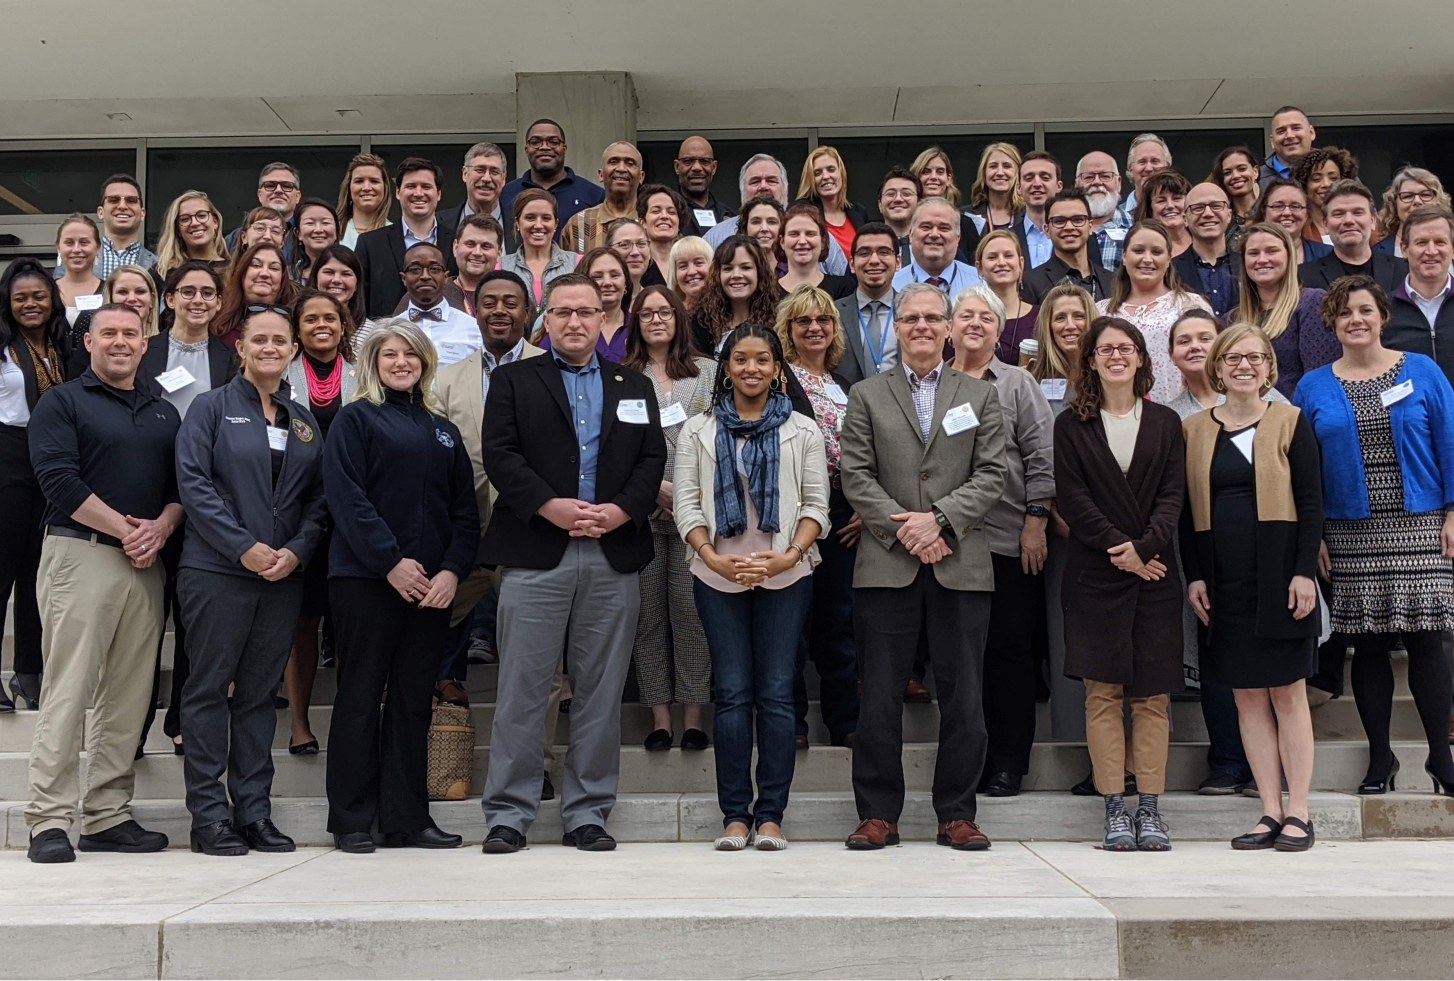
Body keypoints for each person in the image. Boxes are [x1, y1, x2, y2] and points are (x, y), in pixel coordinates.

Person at [478, 273, 666, 854]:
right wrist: (550, 507)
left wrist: (619, 512)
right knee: (523, 689)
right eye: (563, 312)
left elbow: (652, 456)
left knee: (600, 692)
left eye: (586, 311)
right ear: (546, 320)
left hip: (611, 554)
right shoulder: (512, 380)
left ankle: (587, 811)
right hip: (538, 552)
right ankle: (509, 813)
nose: (576, 322)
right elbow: (499, 454)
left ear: (603, 316)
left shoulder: (632, 384)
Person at [839, 283, 1006, 851]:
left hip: (960, 562)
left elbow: (992, 475)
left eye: (933, 318)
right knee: (880, 694)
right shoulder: (865, 393)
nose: (922, 327)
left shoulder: (980, 395)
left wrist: (939, 521)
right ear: (899, 328)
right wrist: (906, 528)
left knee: (965, 696)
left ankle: (957, 813)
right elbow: (855, 476)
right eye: (910, 318)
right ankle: (878, 814)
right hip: (887, 564)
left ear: (950, 327)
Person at [23, 303, 182, 863]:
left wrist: (161, 526)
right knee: (69, 689)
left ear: (146, 343)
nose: (120, 341)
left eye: (130, 333)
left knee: (129, 695)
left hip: (145, 564)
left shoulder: (164, 412)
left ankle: (108, 814)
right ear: (87, 341)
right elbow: (58, 480)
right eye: (108, 332)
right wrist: (126, 531)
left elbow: (179, 488)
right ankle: (48, 818)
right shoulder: (61, 402)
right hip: (81, 555)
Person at [1293, 276, 1454, 799]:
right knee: (1367, 646)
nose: (1355, 319)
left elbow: (1449, 439)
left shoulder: (1423, 371)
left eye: (1365, 310)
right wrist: (1312, 535)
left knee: (1430, 641)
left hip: (1421, 522)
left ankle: (1440, 756)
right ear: (1332, 323)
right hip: (1348, 529)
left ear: (1383, 316)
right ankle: (1380, 756)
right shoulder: (1313, 386)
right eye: (1344, 313)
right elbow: (1305, 469)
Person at [174, 307, 326, 855]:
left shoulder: (302, 419)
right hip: (217, 572)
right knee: (210, 688)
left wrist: (297, 551)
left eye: (279, 340)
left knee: (260, 696)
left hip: (282, 576)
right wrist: (243, 548)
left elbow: (317, 500)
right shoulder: (208, 409)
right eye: (258, 339)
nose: (268, 347)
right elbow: (194, 485)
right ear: (240, 347)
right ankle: (209, 817)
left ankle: (254, 813)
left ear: (292, 350)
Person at [323, 318, 478, 854]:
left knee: (414, 702)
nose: (400, 363)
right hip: (366, 580)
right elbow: (347, 500)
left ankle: (408, 817)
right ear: (373, 362)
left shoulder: (443, 429)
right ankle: (350, 819)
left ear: (425, 362)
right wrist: (390, 562)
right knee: (361, 698)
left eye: (410, 355)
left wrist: (452, 571)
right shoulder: (354, 420)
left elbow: (464, 510)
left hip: (430, 590)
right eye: (389, 354)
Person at [674, 321, 827, 849]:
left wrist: (788, 556)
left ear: (777, 367)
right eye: (741, 359)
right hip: (718, 576)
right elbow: (687, 504)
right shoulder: (699, 430)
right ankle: (735, 816)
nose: (752, 369)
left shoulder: (802, 430)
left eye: (762, 359)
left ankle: (771, 817)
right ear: (727, 368)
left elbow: (815, 506)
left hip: (787, 574)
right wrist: (712, 557)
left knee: (778, 695)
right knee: (734, 694)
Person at [1180, 323, 1323, 850]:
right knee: (1245, 699)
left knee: (1288, 694)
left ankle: (1300, 812)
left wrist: (1304, 571)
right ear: (1217, 367)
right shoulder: (1194, 429)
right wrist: (1194, 574)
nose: (1244, 366)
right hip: (1224, 581)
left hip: (1282, 577)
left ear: (1269, 366)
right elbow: (1185, 515)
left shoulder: (1290, 421)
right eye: (1233, 358)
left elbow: (1311, 503)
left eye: (1255, 357)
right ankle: (1267, 811)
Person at [1054, 316, 1184, 852]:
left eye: (1125, 348)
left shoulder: (1166, 422)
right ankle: (1113, 807)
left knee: (1152, 698)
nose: (1115, 356)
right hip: (1095, 575)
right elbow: (1073, 500)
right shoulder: (1070, 425)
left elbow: (1174, 496)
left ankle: (1149, 808)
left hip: (1155, 574)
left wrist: (1145, 549)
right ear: (1089, 361)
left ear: (1140, 357)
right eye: (1104, 349)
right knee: (1102, 695)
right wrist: (1122, 552)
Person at [431, 270, 550, 744]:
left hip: (532, 537)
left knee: (538, 662)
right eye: (490, 302)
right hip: (464, 539)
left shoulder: (554, 368)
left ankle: (532, 763)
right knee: (421, 637)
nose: (500, 310)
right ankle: (425, 752)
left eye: (511, 302)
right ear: (474, 311)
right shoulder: (444, 380)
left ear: (528, 312)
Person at [944, 285, 1053, 797]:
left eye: (986, 317)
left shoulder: (1017, 384)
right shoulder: (933, 383)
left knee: (1009, 655)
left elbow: (1041, 457)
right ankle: (969, 763)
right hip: (947, 544)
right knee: (962, 659)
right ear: (949, 326)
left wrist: (1036, 520)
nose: (975, 324)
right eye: (965, 315)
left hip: (1009, 539)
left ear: (999, 328)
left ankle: (1008, 763)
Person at [1165, 311, 1278, 798]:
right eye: (1183, 340)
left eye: (1204, 338)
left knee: (1270, 663)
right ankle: (1229, 760)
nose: (1195, 347)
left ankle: (1268, 769)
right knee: (1216, 657)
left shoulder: (1277, 407)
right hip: (1211, 559)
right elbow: (1182, 502)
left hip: (1269, 556)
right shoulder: (1177, 418)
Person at [133, 262, 237, 754]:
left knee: (195, 621)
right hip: (147, 497)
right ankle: (131, 727)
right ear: (168, 298)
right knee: (143, 622)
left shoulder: (229, 356)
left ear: (219, 303)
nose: (198, 300)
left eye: (208, 293)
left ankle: (180, 721)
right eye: (187, 291)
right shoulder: (144, 348)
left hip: (207, 503)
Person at [622, 285, 715, 751]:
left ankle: (694, 716)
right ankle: (660, 718)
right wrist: (649, 491)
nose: (656, 320)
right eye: (647, 313)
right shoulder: (619, 377)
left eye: (665, 312)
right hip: (639, 513)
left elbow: (721, 440)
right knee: (647, 616)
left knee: (690, 611)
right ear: (634, 321)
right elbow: (613, 447)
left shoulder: (708, 373)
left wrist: (684, 494)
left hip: (695, 512)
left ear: (679, 318)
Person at [776, 287, 861, 750]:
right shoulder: (779, 381)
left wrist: (867, 510)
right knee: (792, 622)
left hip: (844, 515)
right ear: (788, 330)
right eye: (803, 321)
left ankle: (845, 720)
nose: (814, 328)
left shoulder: (845, 384)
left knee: (839, 622)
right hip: (792, 515)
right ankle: (791, 725)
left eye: (823, 320)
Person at [281, 290, 357, 754]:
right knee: (303, 622)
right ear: (299, 328)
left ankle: (352, 722)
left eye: (330, 317)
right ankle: (298, 724)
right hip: (299, 511)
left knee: (349, 621)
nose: (321, 325)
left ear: (344, 325)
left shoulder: (362, 373)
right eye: (310, 319)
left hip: (352, 511)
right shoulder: (281, 375)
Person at [0, 259, 74, 714]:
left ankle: (30, 672)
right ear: (8, 304)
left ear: (52, 300)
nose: (31, 303)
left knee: (35, 576)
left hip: (48, 462)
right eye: (21, 297)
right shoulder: (2, 346)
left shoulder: (62, 345)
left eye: (39, 295)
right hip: (6, 458)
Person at [1029, 285, 1097, 746]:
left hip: (1107, 526)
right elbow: (1030, 453)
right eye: (1060, 318)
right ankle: (1074, 737)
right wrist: (1052, 512)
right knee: (1064, 634)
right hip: (1056, 529)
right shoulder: (1031, 381)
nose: (1070, 325)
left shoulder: (1111, 374)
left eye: (1078, 316)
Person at [1097, 219, 1212, 403]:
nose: (1147, 259)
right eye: (1139, 250)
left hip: (1183, 411)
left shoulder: (1191, 304)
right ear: (1125, 256)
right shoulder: (1101, 311)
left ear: (1168, 259)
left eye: (1156, 252)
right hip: (1119, 414)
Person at [1236, 222, 1337, 397]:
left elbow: (1319, 379)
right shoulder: (1233, 320)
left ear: (1290, 256)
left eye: (1271, 251)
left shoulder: (1311, 303)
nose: (1262, 259)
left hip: (1298, 417)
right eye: (1253, 253)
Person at [705, 155, 852, 276]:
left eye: (771, 180)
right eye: (755, 181)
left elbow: (845, 285)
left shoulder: (816, 235)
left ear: (786, 189)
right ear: (742, 190)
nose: (763, 186)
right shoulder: (716, 237)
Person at [356, 157, 456, 319]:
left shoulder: (456, 243)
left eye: (426, 186)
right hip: (386, 339)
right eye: (411, 186)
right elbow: (360, 304)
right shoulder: (370, 245)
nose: (418, 193)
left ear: (438, 194)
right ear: (398, 192)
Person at [376, 242, 486, 369]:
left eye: (434, 269)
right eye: (415, 269)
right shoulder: (388, 331)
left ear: (445, 277)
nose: (425, 276)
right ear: (404, 278)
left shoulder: (473, 328)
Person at [1384, 205, 1454, 385]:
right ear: (1405, 250)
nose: (1431, 251)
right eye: (1421, 242)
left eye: (1440, 242)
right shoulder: (1382, 311)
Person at [1299, 180, 1408, 295]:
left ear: (1373, 220)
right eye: (1338, 214)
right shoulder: (1304, 276)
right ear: (1326, 224)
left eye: (1358, 212)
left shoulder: (1404, 271)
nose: (1348, 221)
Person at [499, 119, 606, 229]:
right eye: (535, 142)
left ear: (564, 149)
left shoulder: (595, 195)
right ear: (526, 150)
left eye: (553, 142)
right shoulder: (505, 194)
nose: (544, 147)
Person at [691, 236, 782, 355]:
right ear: (718, 275)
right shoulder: (701, 322)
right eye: (728, 269)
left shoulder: (780, 318)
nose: (736, 275)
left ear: (760, 273)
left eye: (746, 267)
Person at [834, 223, 900, 383]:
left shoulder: (914, 313)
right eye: (864, 253)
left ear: (898, 262)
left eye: (884, 252)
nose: (874, 260)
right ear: (851, 264)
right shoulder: (832, 313)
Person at [1022, 190, 1115, 304]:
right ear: (1047, 230)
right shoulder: (1031, 282)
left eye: (1078, 220)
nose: (1069, 227)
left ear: (1090, 226)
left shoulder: (1113, 281)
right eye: (1059, 221)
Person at [66, 264, 163, 371]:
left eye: (140, 292)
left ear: (152, 300)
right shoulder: (94, 344)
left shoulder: (167, 345)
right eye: (122, 292)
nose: (132, 298)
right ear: (111, 298)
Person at [544, 246, 632, 362]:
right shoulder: (563, 327)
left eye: (615, 275)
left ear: (626, 282)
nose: (607, 282)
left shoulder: (639, 325)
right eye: (597, 276)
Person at [498, 188, 578, 306]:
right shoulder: (501, 266)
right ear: (517, 223)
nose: (539, 225)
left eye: (546, 218)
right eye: (530, 218)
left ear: (555, 224)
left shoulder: (577, 264)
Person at [560, 142, 644, 254]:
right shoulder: (578, 224)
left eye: (629, 163)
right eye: (613, 162)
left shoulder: (651, 222)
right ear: (600, 174)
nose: (621, 168)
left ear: (641, 177)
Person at [1173, 182, 1241, 318]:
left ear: (1229, 215)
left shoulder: (1247, 264)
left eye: (1216, 206)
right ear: (1185, 219)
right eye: (1198, 208)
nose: (1208, 213)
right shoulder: (1171, 270)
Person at [212, 243, 297, 349]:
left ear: (283, 279)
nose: (264, 273)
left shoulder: (295, 321)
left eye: (274, 268)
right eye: (256, 265)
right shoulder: (216, 318)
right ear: (243, 273)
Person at [891, 197, 983, 294]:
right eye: (926, 227)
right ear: (911, 234)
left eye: (944, 228)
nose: (934, 234)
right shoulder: (892, 285)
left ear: (958, 238)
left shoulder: (980, 283)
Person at [794, 145, 869, 260]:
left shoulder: (859, 212)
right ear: (811, 179)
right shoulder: (802, 212)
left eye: (831, 169)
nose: (825, 176)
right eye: (817, 173)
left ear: (841, 173)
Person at [974, 230, 1038, 363]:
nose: (1001, 262)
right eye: (992, 257)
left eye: (1008, 255)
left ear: (1021, 264)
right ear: (979, 268)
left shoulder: (1041, 317)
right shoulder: (971, 320)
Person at [909, 145, 981, 261]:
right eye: (926, 172)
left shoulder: (965, 225)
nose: (933, 177)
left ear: (949, 179)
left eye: (940, 172)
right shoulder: (907, 220)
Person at [439, 143, 513, 251]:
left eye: (494, 172)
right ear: (465, 174)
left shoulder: (519, 225)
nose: (487, 178)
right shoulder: (439, 224)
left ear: (503, 179)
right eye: (480, 170)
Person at [779, 204, 857, 299]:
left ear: (823, 242)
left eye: (810, 234)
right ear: (782, 242)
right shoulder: (769, 292)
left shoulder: (844, 288)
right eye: (794, 234)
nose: (802, 241)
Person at [225, 163, 302, 257]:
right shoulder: (234, 239)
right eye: (270, 185)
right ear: (260, 195)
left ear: (297, 196)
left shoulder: (308, 235)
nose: (278, 190)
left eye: (286, 186)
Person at [1250, 178, 1333, 264]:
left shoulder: (1327, 255)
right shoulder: (1247, 256)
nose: (1287, 213)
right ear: (1264, 212)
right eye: (1278, 206)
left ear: (1307, 214)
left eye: (1295, 206)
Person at [153, 192, 228, 283]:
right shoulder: (162, 273)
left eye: (201, 215)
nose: (194, 223)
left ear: (215, 222)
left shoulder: (235, 270)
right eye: (185, 219)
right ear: (177, 230)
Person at [1375, 167, 1450, 258]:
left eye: (1425, 195)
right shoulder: (1376, 253)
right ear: (1394, 204)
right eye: (1407, 196)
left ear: (1438, 201)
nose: (1417, 201)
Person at [1075, 152, 1133, 269]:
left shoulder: (1136, 227)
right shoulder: (1062, 228)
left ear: (1119, 183)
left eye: (1105, 176)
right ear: (1077, 184)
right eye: (1088, 177)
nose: (1097, 182)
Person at [93, 174, 156, 276]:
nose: (122, 206)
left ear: (142, 214)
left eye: (131, 200)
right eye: (113, 200)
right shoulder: (80, 259)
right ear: (100, 212)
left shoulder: (158, 265)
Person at [1294, 146, 1359, 246]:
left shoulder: (1359, 222)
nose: (1326, 184)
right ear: (1304, 184)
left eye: (1333, 178)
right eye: (1316, 179)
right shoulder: (1297, 228)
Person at [674, 136, 733, 234]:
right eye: (688, 161)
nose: (697, 167)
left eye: (704, 162)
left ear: (714, 167)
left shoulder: (731, 217)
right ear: (677, 167)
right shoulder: (666, 215)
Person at [451, 213, 506, 315]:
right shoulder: (435, 296)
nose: (477, 253)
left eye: (486, 246)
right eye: (470, 244)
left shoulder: (515, 298)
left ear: (499, 253)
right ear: (455, 248)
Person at [336, 153, 393, 249]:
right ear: (349, 188)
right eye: (359, 181)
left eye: (374, 181)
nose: (366, 188)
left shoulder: (396, 234)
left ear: (385, 189)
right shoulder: (332, 231)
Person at [1016, 151, 1062, 269]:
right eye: (1029, 178)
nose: (1037, 184)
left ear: (1059, 186)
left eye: (1045, 178)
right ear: (1019, 188)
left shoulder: (1075, 234)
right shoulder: (1007, 237)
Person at [54, 214, 102, 324]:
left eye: (84, 242)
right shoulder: (47, 291)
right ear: (58, 248)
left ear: (98, 248)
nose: (76, 249)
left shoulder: (110, 292)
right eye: (69, 243)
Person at [966, 143, 1023, 235]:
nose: (1000, 172)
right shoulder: (966, 216)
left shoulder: (1027, 216)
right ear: (984, 173)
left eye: (1007, 166)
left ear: (1017, 173)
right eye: (993, 166)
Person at [1133, 171, 1193, 257]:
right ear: (1150, 209)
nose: (1170, 205)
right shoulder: (1142, 248)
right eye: (1161, 201)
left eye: (1176, 198)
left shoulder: (1204, 239)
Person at [639, 183, 688, 286]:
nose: (664, 216)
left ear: (679, 223)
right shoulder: (636, 263)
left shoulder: (690, 261)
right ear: (642, 222)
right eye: (656, 211)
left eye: (671, 212)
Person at [307, 244, 367, 329]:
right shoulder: (294, 324)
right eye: (329, 272)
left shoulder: (372, 333)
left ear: (357, 284)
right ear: (315, 277)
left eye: (346, 274)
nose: (336, 280)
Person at [1208, 146, 1263, 236]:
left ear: (1255, 171)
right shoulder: (1219, 217)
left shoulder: (1269, 211)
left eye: (1242, 169)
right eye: (1227, 173)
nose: (1235, 176)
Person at [1261, 107, 1316, 189]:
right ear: (1272, 142)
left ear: (1311, 133)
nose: (1289, 135)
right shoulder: (1257, 179)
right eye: (1281, 131)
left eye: (1296, 128)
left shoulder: (1332, 172)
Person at [290, 198, 339, 285]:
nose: (318, 230)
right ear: (298, 233)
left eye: (325, 223)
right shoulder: (287, 275)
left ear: (337, 231)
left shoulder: (349, 272)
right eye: (310, 223)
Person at [878, 166, 921, 262]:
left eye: (906, 193)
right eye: (890, 194)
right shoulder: (865, 249)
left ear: (919, 203)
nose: (898, 199)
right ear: (880, 205)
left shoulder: (935, 246)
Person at [1124, 134, 1172, 213]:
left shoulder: (1181, 214)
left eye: (1155, 161)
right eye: (1142, 162)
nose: (1148, 168)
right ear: (1130, 170)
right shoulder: (1115, 218)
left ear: (1167, 167)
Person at [606, 218, 654, 295]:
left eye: (641, 244)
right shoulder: (596, 300)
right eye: (624, 245)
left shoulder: (655, 302)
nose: (635, 252)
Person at [667, 235, 713, 311]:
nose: (691, 272)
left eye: (698, 263)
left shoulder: (730, 309)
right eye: (683, 266)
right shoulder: (671, 315)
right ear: (675, 274)